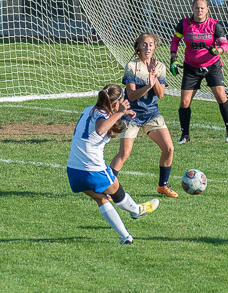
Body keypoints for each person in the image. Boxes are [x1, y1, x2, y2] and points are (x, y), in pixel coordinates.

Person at [66, 84, 160, 245]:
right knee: (118, 195)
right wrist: (120, 113)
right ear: (116, 103)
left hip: (73, 171)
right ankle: (137, 210)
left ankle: (126, 238)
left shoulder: (88, 109)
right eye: (122, 100)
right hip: (93, 170)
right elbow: (100, 129)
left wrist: (121, 115)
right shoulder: (102, 116)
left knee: (101, 199)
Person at [110, 33, 178, 198]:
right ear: (139, 46)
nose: (148, 47)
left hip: (151, 114)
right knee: (124, 153)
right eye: (144, 44)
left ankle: (163, 186)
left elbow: (160, 94)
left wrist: (153, 76)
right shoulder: (131, 66)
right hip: (131, 114)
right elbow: (131, 96)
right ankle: (106, 187)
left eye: (151, 44)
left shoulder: (160, 67)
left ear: (155, 47)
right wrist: (148, 84)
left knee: (169, 148)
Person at [170, 0, 228, 144]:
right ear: (192, 9)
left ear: (207, 10)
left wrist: (217, 51)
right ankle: (185, 135)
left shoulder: (215, 25)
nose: (199, 10)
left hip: (212, 66)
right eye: (197, 8)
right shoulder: (184, 24)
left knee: (221, 97)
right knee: (184, 102)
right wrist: (173, 58)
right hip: (191, 67)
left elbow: (225, 44)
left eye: (202, 8)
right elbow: (175, 41)